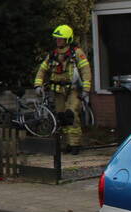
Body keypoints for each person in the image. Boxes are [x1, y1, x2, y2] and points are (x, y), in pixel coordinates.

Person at [34, 24, 92, 155]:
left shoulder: (77, 53)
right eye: (56, 38)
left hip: (73, 90)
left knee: (71, 114)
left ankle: (75, 144)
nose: (58, 41)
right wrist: (37, 85)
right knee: (61, 117)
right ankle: (68, 144)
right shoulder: (53, 54)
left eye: (60, 39)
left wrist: (86, 89)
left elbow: (86, 71)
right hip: (58, 91)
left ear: (68, 39)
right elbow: (42, 70)